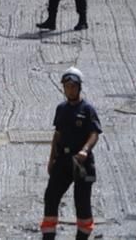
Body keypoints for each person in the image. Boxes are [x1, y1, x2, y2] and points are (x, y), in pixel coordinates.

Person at [40, 67, 102, 240]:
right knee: (51, 196)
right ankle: (48, 236)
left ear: (79, 87)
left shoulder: (87, 109)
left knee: (82, 202)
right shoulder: (61, 109)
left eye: (73, 86)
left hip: (83, 164)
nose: (70, 90)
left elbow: (94, 133)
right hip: (63, 160)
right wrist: (51, 159)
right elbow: (57, 134)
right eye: (67, 87)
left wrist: (85, 150)